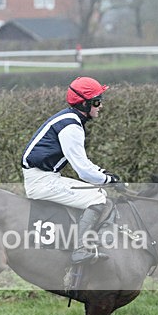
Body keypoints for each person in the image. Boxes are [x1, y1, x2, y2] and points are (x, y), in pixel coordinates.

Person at [21, 76, 120, 264]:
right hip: (43, 181)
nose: (100, 106)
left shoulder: (69, 118)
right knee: (98, 196)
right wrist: (107, 181)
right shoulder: (71, 127)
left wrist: (103, 173)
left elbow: (84, 163)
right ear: (84, 104)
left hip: (45, 176)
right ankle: (80, 250)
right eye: (97, 102)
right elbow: (82, 170)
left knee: (98, 190)